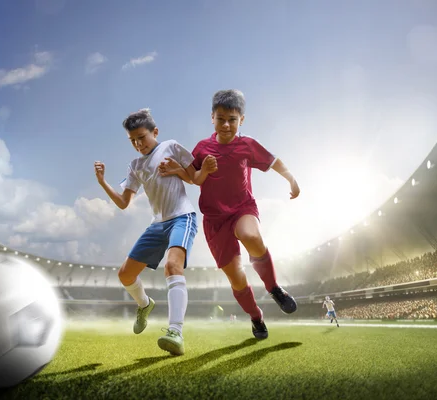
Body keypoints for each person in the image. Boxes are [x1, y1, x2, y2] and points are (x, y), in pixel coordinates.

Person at [159, 89, 300, 340]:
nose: (226, 124)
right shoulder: (202, 148)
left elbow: (273, 161)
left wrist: (291, 179)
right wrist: (175, 169)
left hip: (242, 208)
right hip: (215, 221)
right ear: (212, 117)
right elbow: (192, 177)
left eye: (232, 119)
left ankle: (274, 288)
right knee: (236, 278)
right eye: (221, 118)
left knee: (251, 236)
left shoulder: (247, 145)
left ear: (241, 120)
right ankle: (256, 316)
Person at [95, 108, 198, 356]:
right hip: (157, 224)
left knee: (173, 266)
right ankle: (144, 304)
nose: (138, 144)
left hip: (182, 217)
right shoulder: (135, 165)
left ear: (155, 132)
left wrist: (176, 170)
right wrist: (102, 182)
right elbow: (123, 202)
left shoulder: (172, 147)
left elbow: (195, 177)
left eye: (141, 137)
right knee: (125, 275)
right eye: (132, 141)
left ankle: (175, 332)